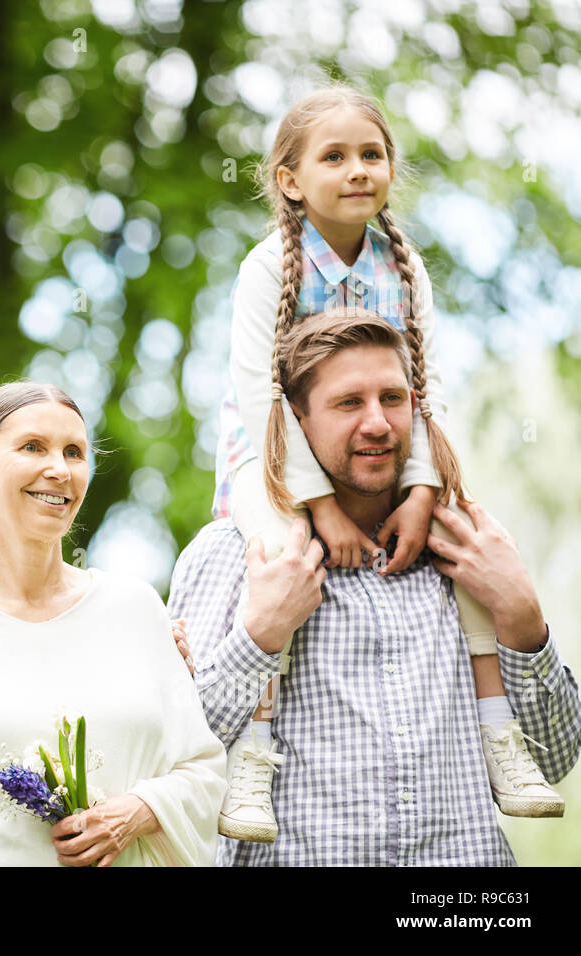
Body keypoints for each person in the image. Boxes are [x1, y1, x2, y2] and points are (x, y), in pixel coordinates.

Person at [211, 86, 561, 841]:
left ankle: (499, 730)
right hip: (268, 456)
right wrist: (320, 507)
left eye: (371, 154)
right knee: (279, 551)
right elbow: (256, 392)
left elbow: (424, 388)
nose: (357, 169)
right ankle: (255, 752)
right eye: (333, 156)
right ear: (290, 179)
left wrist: (423, 488)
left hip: (400, 459)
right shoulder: (267, 267)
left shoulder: (405, 268)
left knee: (465, 537)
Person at [171, 307, 581, 865]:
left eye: (392, 398)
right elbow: (173, 759)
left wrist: (524, 616)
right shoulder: (232, 554)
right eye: (348, 403)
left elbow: (554, 759)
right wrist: (260, 636)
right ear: (296, 419)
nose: (378, 423)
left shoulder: (469, 552)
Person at [0, 382, 224, 867]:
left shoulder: (136, 609)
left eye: (74, 452)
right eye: (33, 447)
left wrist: (140, 811)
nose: (59, 470)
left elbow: (204, 770)